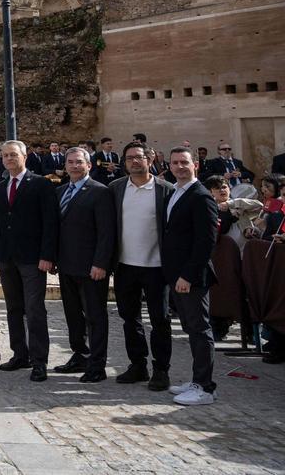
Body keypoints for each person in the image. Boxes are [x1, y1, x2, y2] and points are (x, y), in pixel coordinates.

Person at [0, 139, 58, 382]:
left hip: (32, 259)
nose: (8, 159)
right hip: (7, 258)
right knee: (13, 308)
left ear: (24, 157)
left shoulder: (40, 184)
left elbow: (50, 222)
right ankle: (20, 354)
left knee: (35, 309)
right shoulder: (0, 188)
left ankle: (39, 361)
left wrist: (47, 256)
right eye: (5, 155)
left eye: (13, 155)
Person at [110, 141, 175, 391]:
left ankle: (161, 369)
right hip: (125, 266)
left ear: (149, 159)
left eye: (139, 157)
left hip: (157, 267)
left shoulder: (165, 190)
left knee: (160, 320)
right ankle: (138, 365)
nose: (134, 162)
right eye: (129, 158)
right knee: (130, 319)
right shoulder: (116, 188)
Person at [161, 147, 220, 406]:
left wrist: (187, 275)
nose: (179, 167)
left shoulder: (201, 196)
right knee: (191, 329)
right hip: (176, 275)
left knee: (200, 330)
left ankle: (205, 387)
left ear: (195, 164)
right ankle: (197, 380)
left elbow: (205, 242)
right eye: (175, 163)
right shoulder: (175, 192)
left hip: (191, 276)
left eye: (184, 162)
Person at [53, 147, 116, 383]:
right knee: (73, 315)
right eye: (70, 162)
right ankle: (80, 355)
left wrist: (101, 263)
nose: (74, 166)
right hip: (66, 264)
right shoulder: (60, 191)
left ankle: (97, 364)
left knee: (95, 316)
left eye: (79, 162)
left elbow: (106, 232)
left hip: (92, 268)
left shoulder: (100, 192)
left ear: (89, 165)